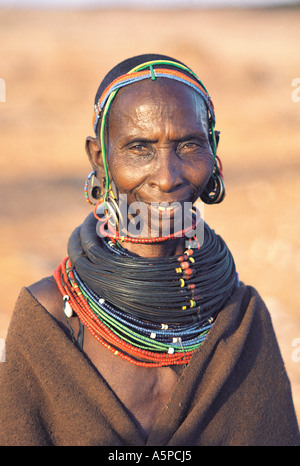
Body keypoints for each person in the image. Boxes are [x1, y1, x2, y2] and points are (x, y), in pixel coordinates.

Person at [0, 54, 299, 447]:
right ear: (99, 159)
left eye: (189, 145)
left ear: (214, 151)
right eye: (140, 147)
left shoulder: (240, 319)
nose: (167, 176)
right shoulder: (51, 319)